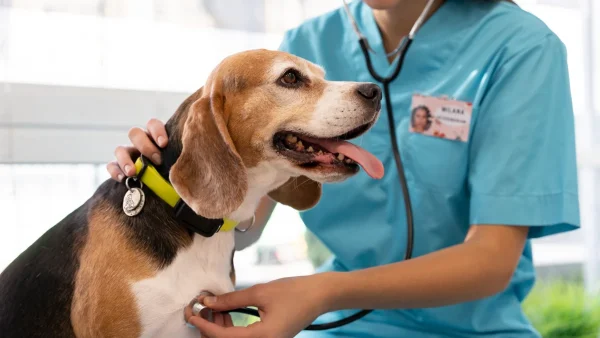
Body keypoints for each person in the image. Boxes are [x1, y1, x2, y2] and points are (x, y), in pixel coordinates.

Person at [107, 0, 580, 337]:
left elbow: (491, 261)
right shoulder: (306, 46)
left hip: (471, 330)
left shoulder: (521, 49)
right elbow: (243, 223)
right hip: (333, 328)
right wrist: (167, 182)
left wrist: (322, 292)